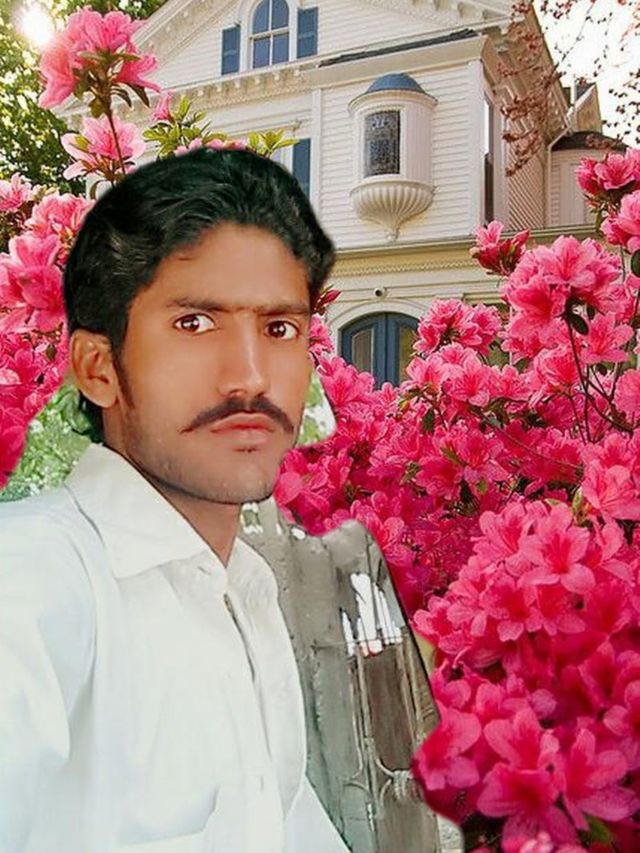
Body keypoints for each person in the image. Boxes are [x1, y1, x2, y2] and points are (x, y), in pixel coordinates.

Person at [0, 147, 351, 852]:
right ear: (98, 368)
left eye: (280, 329)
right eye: (194, 323)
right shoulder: (33, 579)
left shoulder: (243, 591)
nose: (250, 377)